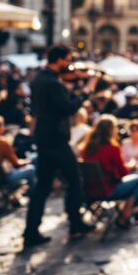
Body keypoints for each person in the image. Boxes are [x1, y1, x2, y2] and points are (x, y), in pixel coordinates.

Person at [23, 45, 98, 249]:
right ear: (61, 60)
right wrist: (87, 91)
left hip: (44, 138)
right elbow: (68, 108)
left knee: (43, 186)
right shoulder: (52, 83)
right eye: (68, 60)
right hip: (56, 139)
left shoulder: (40, 79)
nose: (70, 64)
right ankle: (75, 224)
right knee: (74, 180)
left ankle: (31, 231)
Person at [80, 115, 138, 228]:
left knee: (133, 185)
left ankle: (128, 212)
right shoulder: (112, 148)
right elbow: (123, 173)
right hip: (107, 190)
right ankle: (125, 216)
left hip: (88, 190)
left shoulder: (86, 148)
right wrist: (130, 166)